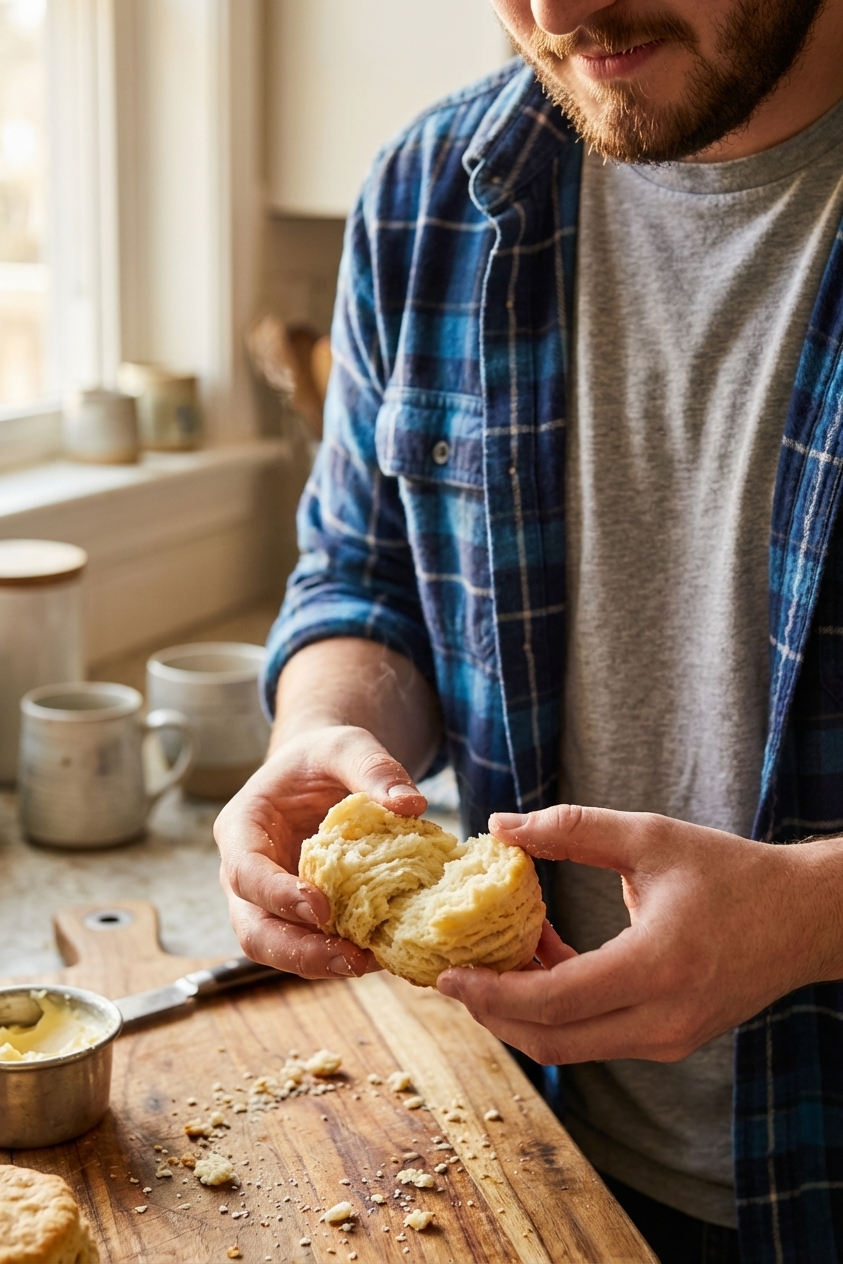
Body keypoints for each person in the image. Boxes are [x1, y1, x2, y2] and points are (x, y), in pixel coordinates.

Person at [214, 3, 843, 1260]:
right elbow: (365, 574)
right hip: (546, 1163)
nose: (558, 14)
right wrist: (325, 729)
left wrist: (811, 915)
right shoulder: (427, 195)